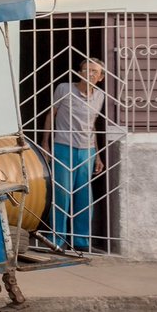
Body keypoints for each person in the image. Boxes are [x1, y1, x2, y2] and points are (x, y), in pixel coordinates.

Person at [44, 57, 105, 251]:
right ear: (80, 72)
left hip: (87, 150)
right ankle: (55, 239)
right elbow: (50, 114)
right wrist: (45, 143)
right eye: (86, 69)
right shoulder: (64, 88)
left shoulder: (100, 96)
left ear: (101, 77)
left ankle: (81, 241)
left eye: (95, 71)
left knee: (84, 196)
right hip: (63, 146)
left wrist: (97, 155)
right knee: (62, 193)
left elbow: (92, 125)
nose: (90, 74)